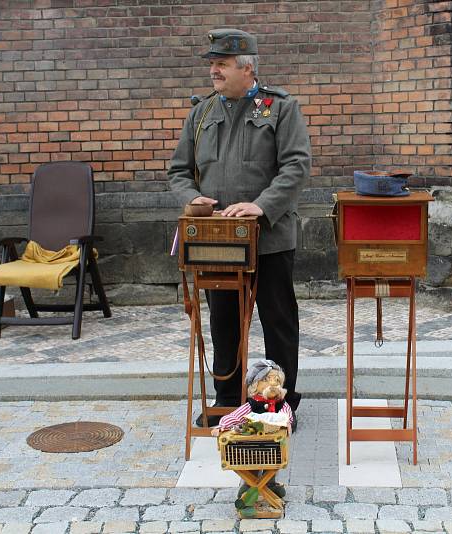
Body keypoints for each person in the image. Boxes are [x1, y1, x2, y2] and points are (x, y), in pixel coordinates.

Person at [168, 28, 310, 430]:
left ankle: (279, 403)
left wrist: (260, 206)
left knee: (277, 318)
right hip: (218, 241)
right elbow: (179, 171)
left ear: (247, 68)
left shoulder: (280, 109)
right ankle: (228, 397)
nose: (213, 71)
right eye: (212, 63)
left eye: (222, 64)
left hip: (269, 237)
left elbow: (296, 166)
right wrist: (191, 199)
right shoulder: (201, 114)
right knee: (223, 319)